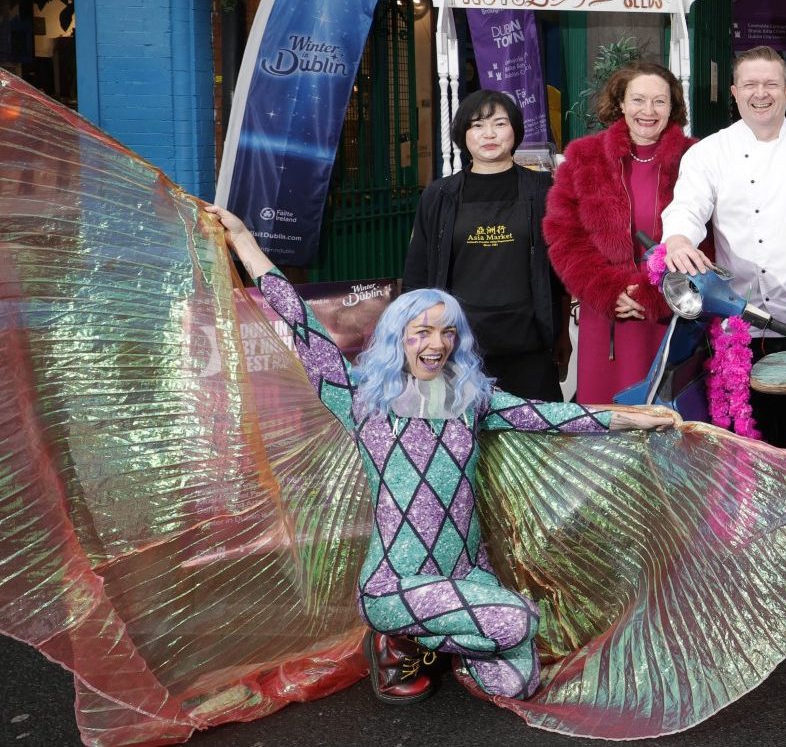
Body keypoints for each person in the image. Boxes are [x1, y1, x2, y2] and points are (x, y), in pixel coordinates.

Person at [204, 203, 681, 705]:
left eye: (448, 332)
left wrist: (632, 418)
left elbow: (551, 416)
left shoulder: (473, 401)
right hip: (395, 581)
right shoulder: (360, 398)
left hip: (466, 574)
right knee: (518, 620)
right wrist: (241, 239)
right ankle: (397, 633)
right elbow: (297, 316)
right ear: (399, 338)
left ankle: (449, 638)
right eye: (423, 332)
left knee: (517, 682)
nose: (437, 344)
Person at [661, 46, 786, 445]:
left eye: (771, 84)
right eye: (751, 85)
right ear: (735, 91)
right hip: (741, 316)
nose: (761, 93)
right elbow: (687, 206)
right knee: (750, 434)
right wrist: (677, 238)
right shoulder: (709, 152)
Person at [544, 62, 695, 403]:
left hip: (671, 315)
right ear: (621, 104)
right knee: (608, 421)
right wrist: (605, 290)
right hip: (608, 315)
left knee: (668, 421)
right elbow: (563, 235)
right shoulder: (585, 157)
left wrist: (659, 294)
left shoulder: (694, 158)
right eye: (638, 100)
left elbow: (709, 238)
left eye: (659, 101)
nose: (648, 111)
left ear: (672, 107)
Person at [401, 90, 565, 401]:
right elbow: (417, 275)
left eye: (499, 124)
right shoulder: (439, 196)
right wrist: (419, 338)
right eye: (477, 125)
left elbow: (560, 269)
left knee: (535, 435)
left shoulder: (543, 191)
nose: (488, 134)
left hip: (528, 341)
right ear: (463, 135)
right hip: (457, 344)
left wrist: (561, 336)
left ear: (515, 130)